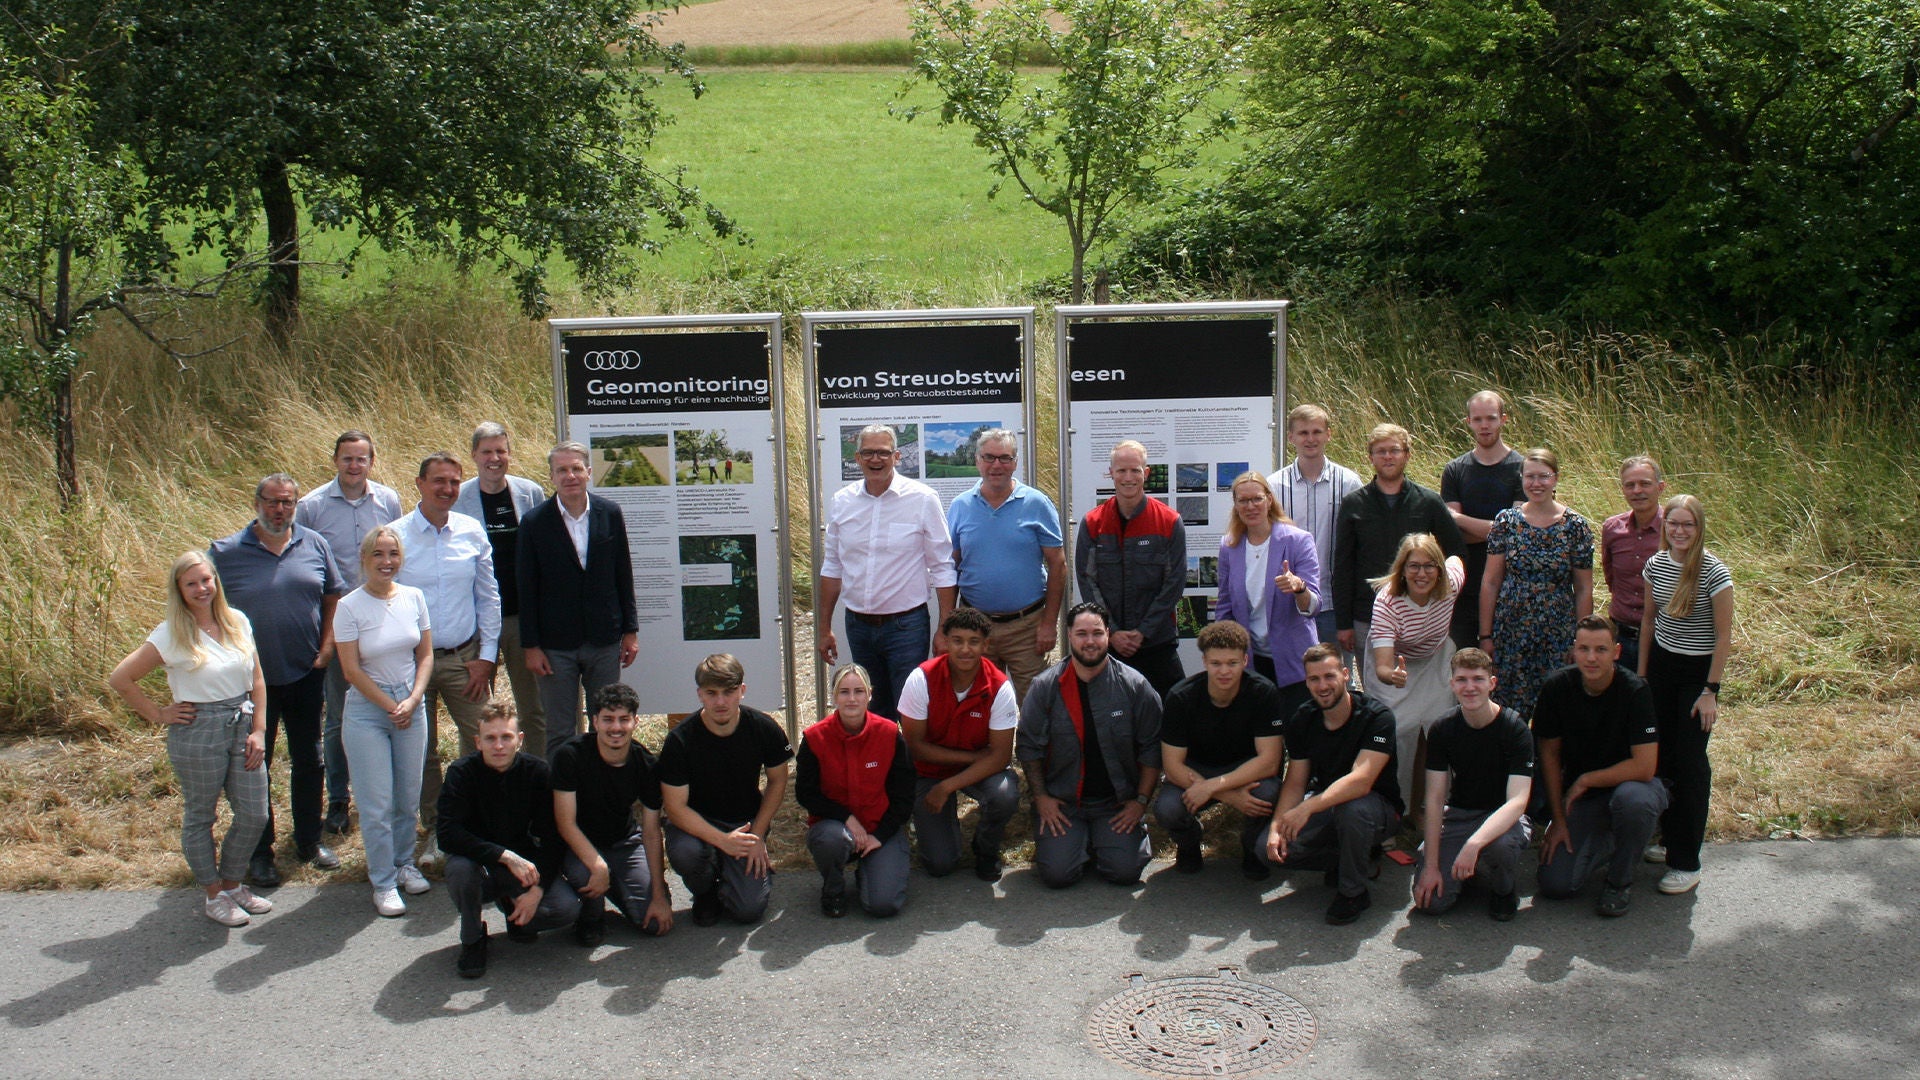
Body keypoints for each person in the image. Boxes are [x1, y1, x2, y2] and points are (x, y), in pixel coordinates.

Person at [108, 552, 271, 927]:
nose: (202, 589)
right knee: (202, 814)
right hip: (198, 729)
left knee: (254, 812)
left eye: (206, 580)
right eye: (191, 583)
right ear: (179, 590)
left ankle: (233, 884)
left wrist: (259, 730)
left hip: (242, 722)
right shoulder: (170, 633)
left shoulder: (237, 621)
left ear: (216, 581)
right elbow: (121, 678)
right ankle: (214, 894)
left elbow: (257, 680)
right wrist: (159, 714)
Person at [209, 473, 345, 886]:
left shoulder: (314, 543)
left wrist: (326, 648)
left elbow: (333, 597)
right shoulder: (225, 552)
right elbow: (203, 608)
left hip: (305, 672)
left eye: (287, 502)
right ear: (257, 503)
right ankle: (260, 852)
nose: (280, 509)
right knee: (256, 766)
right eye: (272, 502)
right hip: (250, 683)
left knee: (310, 760)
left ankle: (309, 840)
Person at [295, 430, 403, 838]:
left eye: (361, 459)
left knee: (389, 704)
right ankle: (339, 799)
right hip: (341, 623)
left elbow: (395, 554)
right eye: (347, 458)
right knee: (340, 714)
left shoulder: (388, 500)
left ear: (371, 462)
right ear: (335, 461)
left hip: (385, 619)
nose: (354, 465)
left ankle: (388, 793)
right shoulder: (312, 507)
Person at [395, 452, 500, 856]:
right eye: (439, 481)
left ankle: (480, 819)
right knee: (422, 750)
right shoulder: (396, 536)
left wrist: (486, 657)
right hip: (410, 662)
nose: (447, 489)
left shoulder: (472, 531)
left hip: (464, 658)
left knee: (483, 740)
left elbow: (488, 597)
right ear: (419, 484)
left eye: (455, 482)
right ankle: (438, 827)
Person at [816, 423, 958, 721]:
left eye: (883, 452)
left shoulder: (922, 498)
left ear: (896, 457)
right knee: (873, 711)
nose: (875, 460)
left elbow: (943, 567)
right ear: (857, 458)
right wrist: (824, 626)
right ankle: (880, 766)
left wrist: (945, 627)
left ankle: (910, 767)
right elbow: (832, 566)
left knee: (912, 709)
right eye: (868, 452)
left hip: (906, 626)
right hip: (858, 626)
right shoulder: (842, 501)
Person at [1015, 602, 1162, 889]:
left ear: (1108, 634)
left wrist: (1140, 802)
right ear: (1068, 636)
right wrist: (1042, 799)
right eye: (1082, 634)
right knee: (1058, 876)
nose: (1090, 641)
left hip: (1114, 805)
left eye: (1097, 633)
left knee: (1125, 873)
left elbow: (1152, 748)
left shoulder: (1135, 686)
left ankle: (1105, 841)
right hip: (1064, 804)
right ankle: (1079, 843)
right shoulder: (1045, 687)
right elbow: (1029, 749)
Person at [1533, 616, 1669, 916]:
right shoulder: (1556, 688)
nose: (1592, 658)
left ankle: (1619, 880)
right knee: (1555, 885)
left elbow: (1645, 767)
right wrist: (1558, 820)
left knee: (1633, 802)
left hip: (1634, 787)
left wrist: (1584, 781)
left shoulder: (1635, 691)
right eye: (1584, 649)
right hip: (1587, 800)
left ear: (1617, 652)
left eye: (1601, 649)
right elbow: (1550, 757)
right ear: (1574, 651)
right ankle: (1608, 843)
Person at [334, 526, 435, 917]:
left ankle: (404, 863)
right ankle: (383, 882)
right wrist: (391, 706)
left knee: (407, 798)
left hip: (412, 706)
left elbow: (425, 655)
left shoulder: (414, 598)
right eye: (378, 554)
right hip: (367, 712)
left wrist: (411, 701)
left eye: (393, 554)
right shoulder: (349, 606)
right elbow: (350, 668)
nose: (386, 562)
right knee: (376, 803)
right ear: (364, 559)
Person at [1262, 644, 1402, 925]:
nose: (1322, 685)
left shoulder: (1377, 717)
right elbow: (1295, 781)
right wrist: (1277, 828)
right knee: (1266, 850)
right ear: (1307, 682)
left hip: (1376, 808)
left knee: (1353, 811)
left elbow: (1361, 781)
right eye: (1314, 679)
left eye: (1329, 676)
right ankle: (1353, 857)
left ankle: (1353, 892)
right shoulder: (1303, 718)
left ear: (1345, 674)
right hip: (1328, 804)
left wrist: (1307, 808)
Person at [437, 701, 579, 978]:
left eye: (506, 737)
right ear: (477, 742)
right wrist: (504, 856)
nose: (498, 745)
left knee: (564, 910)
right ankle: (473, 937)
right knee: (459, 870)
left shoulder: (538, 772)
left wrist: (537, 891)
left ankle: (515, 910)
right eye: (490, 738)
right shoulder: (461, 773)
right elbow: (447, 834)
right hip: (479, 864)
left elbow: (554, 838)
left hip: (522, 868)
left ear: (520, 740)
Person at [517, 441, 639, 758]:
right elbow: (526, 589)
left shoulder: (609, 513)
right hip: (555, 645)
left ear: (588, 472)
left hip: (604, 639)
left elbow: (622, 574)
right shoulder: (534, 523)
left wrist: (630, 630)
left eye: (575, 468)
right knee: (559, 730)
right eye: (562, 470)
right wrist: (531, 645)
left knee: (607, 722)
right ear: (552, 476)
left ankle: (604, 798)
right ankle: (563, 801)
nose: (569, 475)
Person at [1638, 494, 1733, 896]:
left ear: (1699, 528)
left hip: (1698, 674)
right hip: (1661, 666)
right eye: (1673, 523)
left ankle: (1686, 861)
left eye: (1688, 525)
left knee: (1690, 761)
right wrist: (1641, 678)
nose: (1679, 531)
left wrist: (1710, 691)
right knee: (1660, 756)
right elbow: (1647, 619)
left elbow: (1724, 635)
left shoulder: (1714, 572)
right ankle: (1667, 840)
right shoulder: (1656, 565)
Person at [656, 655, 793, 926]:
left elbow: (778, 780)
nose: (720, 702)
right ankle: (705, 891)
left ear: (742, 690)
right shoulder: (679, 740)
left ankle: (730, 873)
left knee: (748, 911)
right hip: (695, 825)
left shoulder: (763, 728)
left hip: (744, 825)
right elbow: (675, 808)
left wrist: (757, 834)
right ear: (699, 695)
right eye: (711, 693)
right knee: (686, 853)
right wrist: (722, 841)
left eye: (729, 692)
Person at [1332, 424, 1463, 695]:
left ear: (1407, 455)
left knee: (1424, 695)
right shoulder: (1354, 504)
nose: (1388, 457)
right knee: (1379, 692)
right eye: (1381, 452)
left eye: (1394, 450)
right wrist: (1344, 623)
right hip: (1366, 614)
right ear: (1370, 457)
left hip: (1421, 617)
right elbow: (1343, 565)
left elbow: (1456, 554)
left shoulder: (1428, 502)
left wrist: (1440, 601)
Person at [896, 607, 1020, 881]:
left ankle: (986, 849)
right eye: (957, 640)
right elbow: (915, 747)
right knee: (940, 865)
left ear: (986, 646)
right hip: (929, 771)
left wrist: (948, 786)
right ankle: (926, 827)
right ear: (945, 641)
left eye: (974, 641)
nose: (965, 649)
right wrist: (975, 758)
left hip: (977, 771)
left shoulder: (1000, 687)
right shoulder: (921, 679)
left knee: (1005, 794)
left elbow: (1000, 758)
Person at [1410, 649, 1533, 921]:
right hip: (1458, 816)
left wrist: (1473, 844)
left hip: (1503, 817)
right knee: (1430, 903)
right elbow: (1434, 798)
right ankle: (1462, 870)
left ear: (1492, 683)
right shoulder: (1442, 729)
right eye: (1462, 680)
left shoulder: (1514, 728)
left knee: (1500, 847)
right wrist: (1431, 865)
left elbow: (1518, 801)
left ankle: (1502, 888)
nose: (1470, 687)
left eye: (1478, 679)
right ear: (1452, 684)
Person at [1154, 621, 1283, 879]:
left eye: (1232, 663)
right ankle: (1189, 842)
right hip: (1195, 771)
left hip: (1245, 769)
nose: (1224, 671)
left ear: (1245, 660)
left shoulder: (1263, 692)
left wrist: (1214, 787)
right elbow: (1172, 765)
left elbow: (1269, 761)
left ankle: (1251, 847)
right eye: (1216, 663)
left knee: (1268, 793)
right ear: (1204, 662)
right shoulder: (1181, 697)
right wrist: (1230, 796)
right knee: (1167, 809)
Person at [946, 428, 1065, 702]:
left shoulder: (1037, 503)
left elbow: (1058, 566)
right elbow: (950, 567)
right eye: (989, 457)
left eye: (1004, 458)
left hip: (1027, 628)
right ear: (977, 460)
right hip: (975, 628)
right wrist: (950, 625)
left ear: (1015, 462)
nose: (996, 465)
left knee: (1037, 706)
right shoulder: (960, 506)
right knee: (978, 706)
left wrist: (1049, 624)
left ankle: (1030, 748)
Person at [550, 683, 674, 946]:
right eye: (607, 719)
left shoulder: (647, 765)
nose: (615, 728)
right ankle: (591, 915)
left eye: (623, 720)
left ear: (635, 721)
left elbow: (651, 833)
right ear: (594, 721)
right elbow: (565, 822)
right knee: (587, 874)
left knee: (653, 923)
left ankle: (620, 887)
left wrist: (659, 893)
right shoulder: (569, 756)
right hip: (579, 845)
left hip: (624, 842)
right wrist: (597, 865)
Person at [453, 421, 550, 758]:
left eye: (500, 451)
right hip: (477, 622)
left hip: (524, 618)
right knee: (476, 711)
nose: (494, 458)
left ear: (509, 454)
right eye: (486, 452)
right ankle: (480, 781)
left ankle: (539, 774)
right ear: (474, 456)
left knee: (534, 707)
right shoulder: (459, 498)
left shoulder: (530, 493)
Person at [1478, 447, 1594, 721]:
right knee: (1508, 713)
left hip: (1557, 633)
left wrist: (1581, 639)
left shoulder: (1576, 526)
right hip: (1511, 632)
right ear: (1521, 479)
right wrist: (1486, 636)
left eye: (1544, 476)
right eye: (1530, 477)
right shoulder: (1505, 521)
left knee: (1555, 712)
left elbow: (1584, 588)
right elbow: (1491, 581)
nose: (1536, 484)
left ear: (1555, 479)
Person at [797, 665, 916, 918]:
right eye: (844, 692)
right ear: (833, 696)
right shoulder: (814, 737)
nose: (852, 699)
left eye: (859, 691)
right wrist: (846, 818)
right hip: (835, 829)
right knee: (831, 840)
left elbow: (904, 796)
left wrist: (880, 835)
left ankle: (871, 870)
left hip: (880, 828)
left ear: (870, 695)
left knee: (882, 906)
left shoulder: (890, 733)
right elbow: (806, 793)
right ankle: (833, 887)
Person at [1074, 440, 1187, 699]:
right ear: (1110, 473)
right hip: (1108, 644)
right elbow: (1087, 580)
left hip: (1157, 642)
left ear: (1145, 474)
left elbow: (1174, 583)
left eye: (1135, 470)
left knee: (1170, 715)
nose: (1128, 477)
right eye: (1121, 470)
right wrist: (1111, 632)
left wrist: (1143, 632)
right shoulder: (1093, 523)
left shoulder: (1169, 521)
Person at [1366, 533, 1468, 804]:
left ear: (1439, 569)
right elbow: (1382, 667)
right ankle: (1395, 804)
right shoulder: (1387, 603)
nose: (1421, 574)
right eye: (1414, 566)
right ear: (1402, 569)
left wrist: (1441, 551)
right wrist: (1393, 676)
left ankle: (1430, 805)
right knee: (1401, 729)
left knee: (1438, 725)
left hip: (1435, 659)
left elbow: (1457, 559)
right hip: (1396, 664)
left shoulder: (1451, 584)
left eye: (1429, 565)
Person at [1213, 471, 1319, 714]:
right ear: (1236, 505)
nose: (1250, 506)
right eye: (1243, 500)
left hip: (1293, 660)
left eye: (1257, 499)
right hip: (1252, 659)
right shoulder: (1230, 546)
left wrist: (1298, 588)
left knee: (1297, 734)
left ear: (1269, 500)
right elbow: (1225, 606)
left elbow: (1313, 607)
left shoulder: (1298, 541)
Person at [1269, 404, 1364, 657]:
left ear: (1328, 435)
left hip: (1335, 602)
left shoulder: (1349, 483)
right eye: (1303, 433)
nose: (1310, 439)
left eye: (1316, 432)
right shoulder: (1275, 486)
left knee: (1336, 676)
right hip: (1290, 603)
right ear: (1291, 438)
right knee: (1295, 677)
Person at [1442, 391, 1524, 648]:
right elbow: (1451, 533)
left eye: (1491, 418)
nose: (1484, 425)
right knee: (1463, 668)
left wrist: (1460, 518)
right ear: (1468, 422)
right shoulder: (1455, 469)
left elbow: (1517, 531)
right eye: (1478, 419)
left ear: (1504, 419)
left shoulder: (1522, 468)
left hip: (1510, 587)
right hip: (1464, 587)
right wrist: (1499, 529)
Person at [1601, 454, 1667, 669]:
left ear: (1660, 487)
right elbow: (1611, 578)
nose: (1637, 490)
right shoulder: (1612, 529)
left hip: (1665, 638)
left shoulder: (1675, 529)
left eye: (1645, 484)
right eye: (1630, 485)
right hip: (1622, 636)